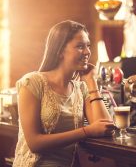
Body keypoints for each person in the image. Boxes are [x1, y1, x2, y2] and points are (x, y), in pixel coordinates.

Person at [13, 20, 115, 167]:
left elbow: (105, 128)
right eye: (80, 46)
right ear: (60, 51)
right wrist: (86, 131)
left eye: (88, 46)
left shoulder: (81, 88)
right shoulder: (32, 82)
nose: (87, 52)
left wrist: (92, 82)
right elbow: (34, 143)